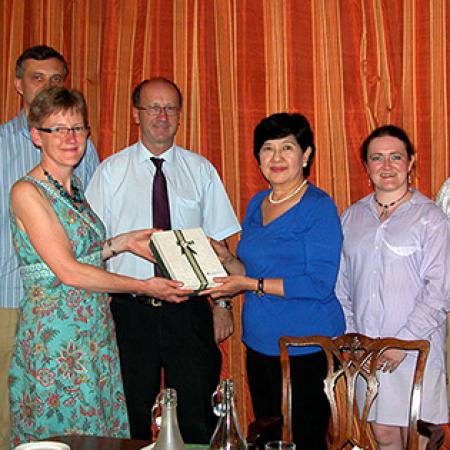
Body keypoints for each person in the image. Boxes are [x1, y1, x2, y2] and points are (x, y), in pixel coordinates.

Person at [8, 86, 193, 446]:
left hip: (93, 331)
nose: (70, 138)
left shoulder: (73, 187)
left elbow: (85, 254)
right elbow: (69, 271)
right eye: (57, 129)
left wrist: (123, 242)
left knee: (97, 432)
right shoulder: (27, 192)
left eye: (77, 128)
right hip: (57, 338)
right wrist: (144, 286)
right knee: (64, 435)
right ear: (36, 136)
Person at [85, 77, 241, 443]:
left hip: (188, 312)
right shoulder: (110, 172)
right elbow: (92, 246)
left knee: (197, 413)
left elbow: (219, 248)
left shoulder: (199, 170)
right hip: (128, 312)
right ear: (136, 114)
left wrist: (222, 305)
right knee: (129, 413)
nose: (162, 115)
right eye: (153, 107)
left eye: (170, 107)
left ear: (180, 116)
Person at [202, 113, 345, 449]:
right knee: (268, 437)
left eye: (287, 148)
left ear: (306, 155)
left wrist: (248, 285)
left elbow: (318, 284)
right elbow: (248, 271)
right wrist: (227, 259)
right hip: (260, 344)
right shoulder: (257, 204)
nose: (277, 158)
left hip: (307, 348)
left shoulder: (319, 207)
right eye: (268, 149)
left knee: (305, 440)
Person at [0, 45, 99, 450]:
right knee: (14, 414)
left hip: (74, 308)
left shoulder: (83, 148)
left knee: (71, 418)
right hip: (8, 297)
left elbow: (88, 217)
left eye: (57, 79)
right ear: (19, 84)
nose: (47, 86)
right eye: (38, 77)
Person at [336, 125, 449, 450]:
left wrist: (401, 343)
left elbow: (439, 290)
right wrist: (355, 339)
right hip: (368, 352)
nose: (387, 166)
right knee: (383, 435)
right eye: (377, 158)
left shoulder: (431, 219)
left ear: (411, 162)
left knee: (421, 439)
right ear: (367, 166)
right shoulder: (352, 217)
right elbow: (341, 285)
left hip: (415, 349)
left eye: (396, 157)